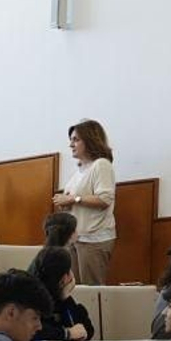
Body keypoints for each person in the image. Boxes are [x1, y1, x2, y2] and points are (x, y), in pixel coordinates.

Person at [53, 119, 117, 286]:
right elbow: (76, 200)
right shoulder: (80, 170)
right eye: (71, 140)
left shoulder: (101, 165)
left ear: (89, 140)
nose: (71, 145)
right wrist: (66, 203)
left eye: (76, 140)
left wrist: (74, 199)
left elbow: (104, 199)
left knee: (91, 291)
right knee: (77, 290)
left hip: (94, 239)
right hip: (76, 238)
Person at [31, 246, 94, 341]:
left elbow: (85, 332)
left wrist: (66, 298)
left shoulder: (64, 302)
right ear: (64, 278)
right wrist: (66, 333)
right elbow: (34, 332)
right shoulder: (32, 303)